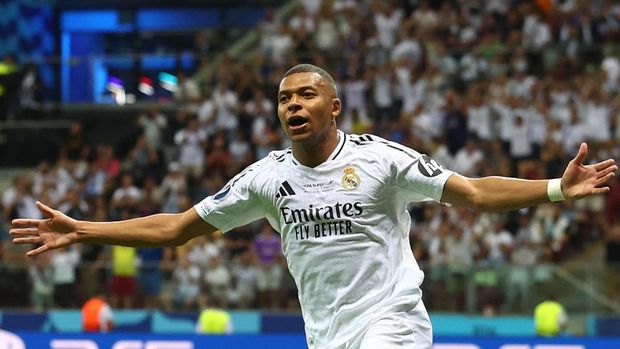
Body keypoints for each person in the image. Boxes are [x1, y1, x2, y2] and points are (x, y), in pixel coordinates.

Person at [10, 64, 617, 349]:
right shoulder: (265, 178)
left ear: (335, 109)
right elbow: (175, 230)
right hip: (325, 334)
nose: (292, 104)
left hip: (393, 323)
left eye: (307, 94)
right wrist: (84, 229)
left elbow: (475, 193)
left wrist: (557, 189)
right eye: (283, 98)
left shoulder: (381, 159)